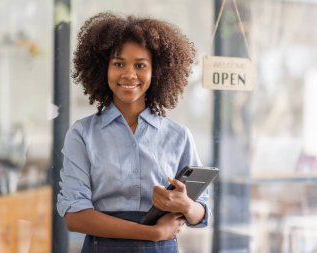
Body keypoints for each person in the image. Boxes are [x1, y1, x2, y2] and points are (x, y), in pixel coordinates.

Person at [57, 12, 210, 253]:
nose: (129, 74)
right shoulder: (82, 135)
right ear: (102, 68)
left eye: (140, 65)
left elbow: (201, 210)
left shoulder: (179, 136)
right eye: (119, 64)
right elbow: (75, 217)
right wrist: (152, 233)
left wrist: (186, 205)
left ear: (156, 71)